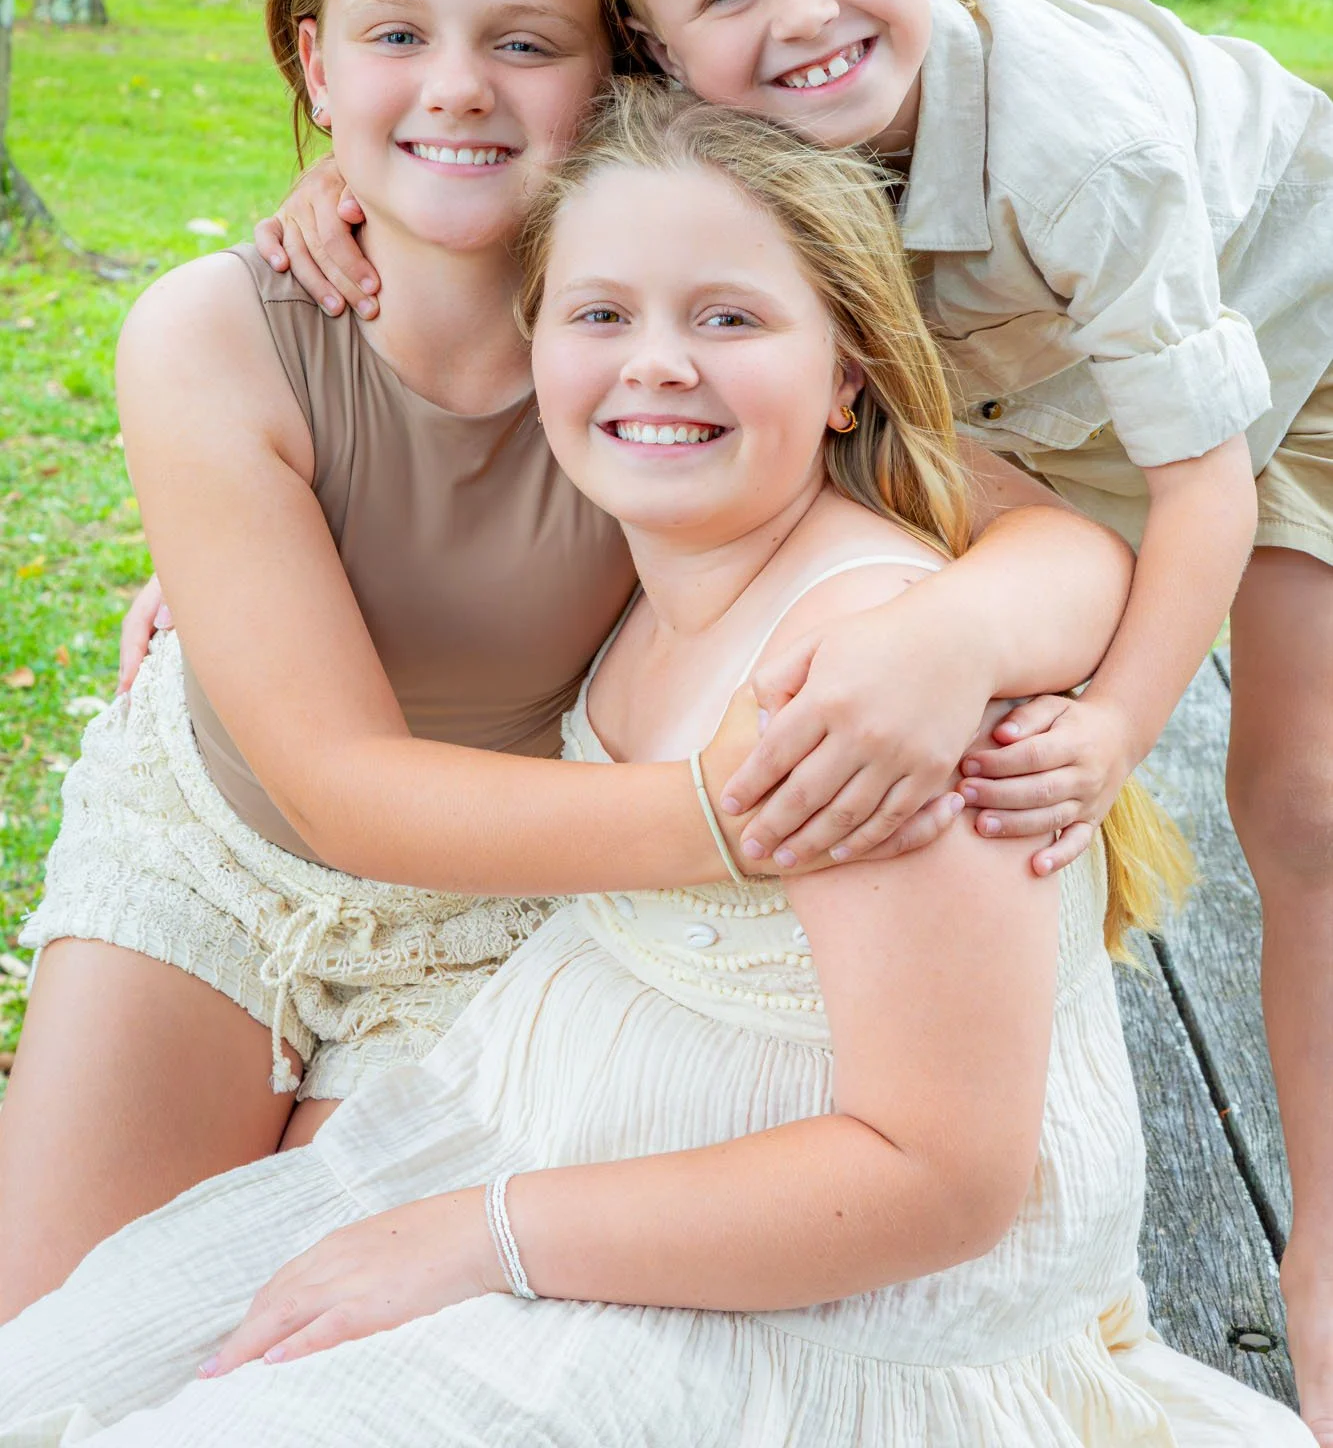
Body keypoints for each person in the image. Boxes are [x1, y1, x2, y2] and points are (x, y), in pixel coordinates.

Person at [281, 0, 1333, 1433]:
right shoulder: (707, 91)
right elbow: (485, 133)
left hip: (1292, 334)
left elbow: (1201, 476)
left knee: (1302, 799)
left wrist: (1122, 721)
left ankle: (1321, 1267)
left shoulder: (1093, 144)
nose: (798, 17)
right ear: (656, 34)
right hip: (1039, 386)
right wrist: (337, 184)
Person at [0, 85, 1308, 1446]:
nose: (658, 365)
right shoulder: (651, 556)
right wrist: (218, 561)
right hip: (575, 1160)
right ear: (537, 351)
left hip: (811, 1322)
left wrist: (476, 1239)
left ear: (848, 369)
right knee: (77, 1379)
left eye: (728, 318)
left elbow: (943, 1182)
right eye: (600, 315)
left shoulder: (871, 691)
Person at [1, 0, 1129, 1322]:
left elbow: (1049, 533)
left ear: (621, 69)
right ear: (312, 61)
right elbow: (339, 784)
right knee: (51, 1336)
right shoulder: (221, 332)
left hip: (523, 900)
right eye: (396, 34)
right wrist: (727, 816)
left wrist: (952, 640)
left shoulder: (648, 339)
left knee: (279, 1334)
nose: (458, 87)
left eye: (526, 44)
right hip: (227, 853)